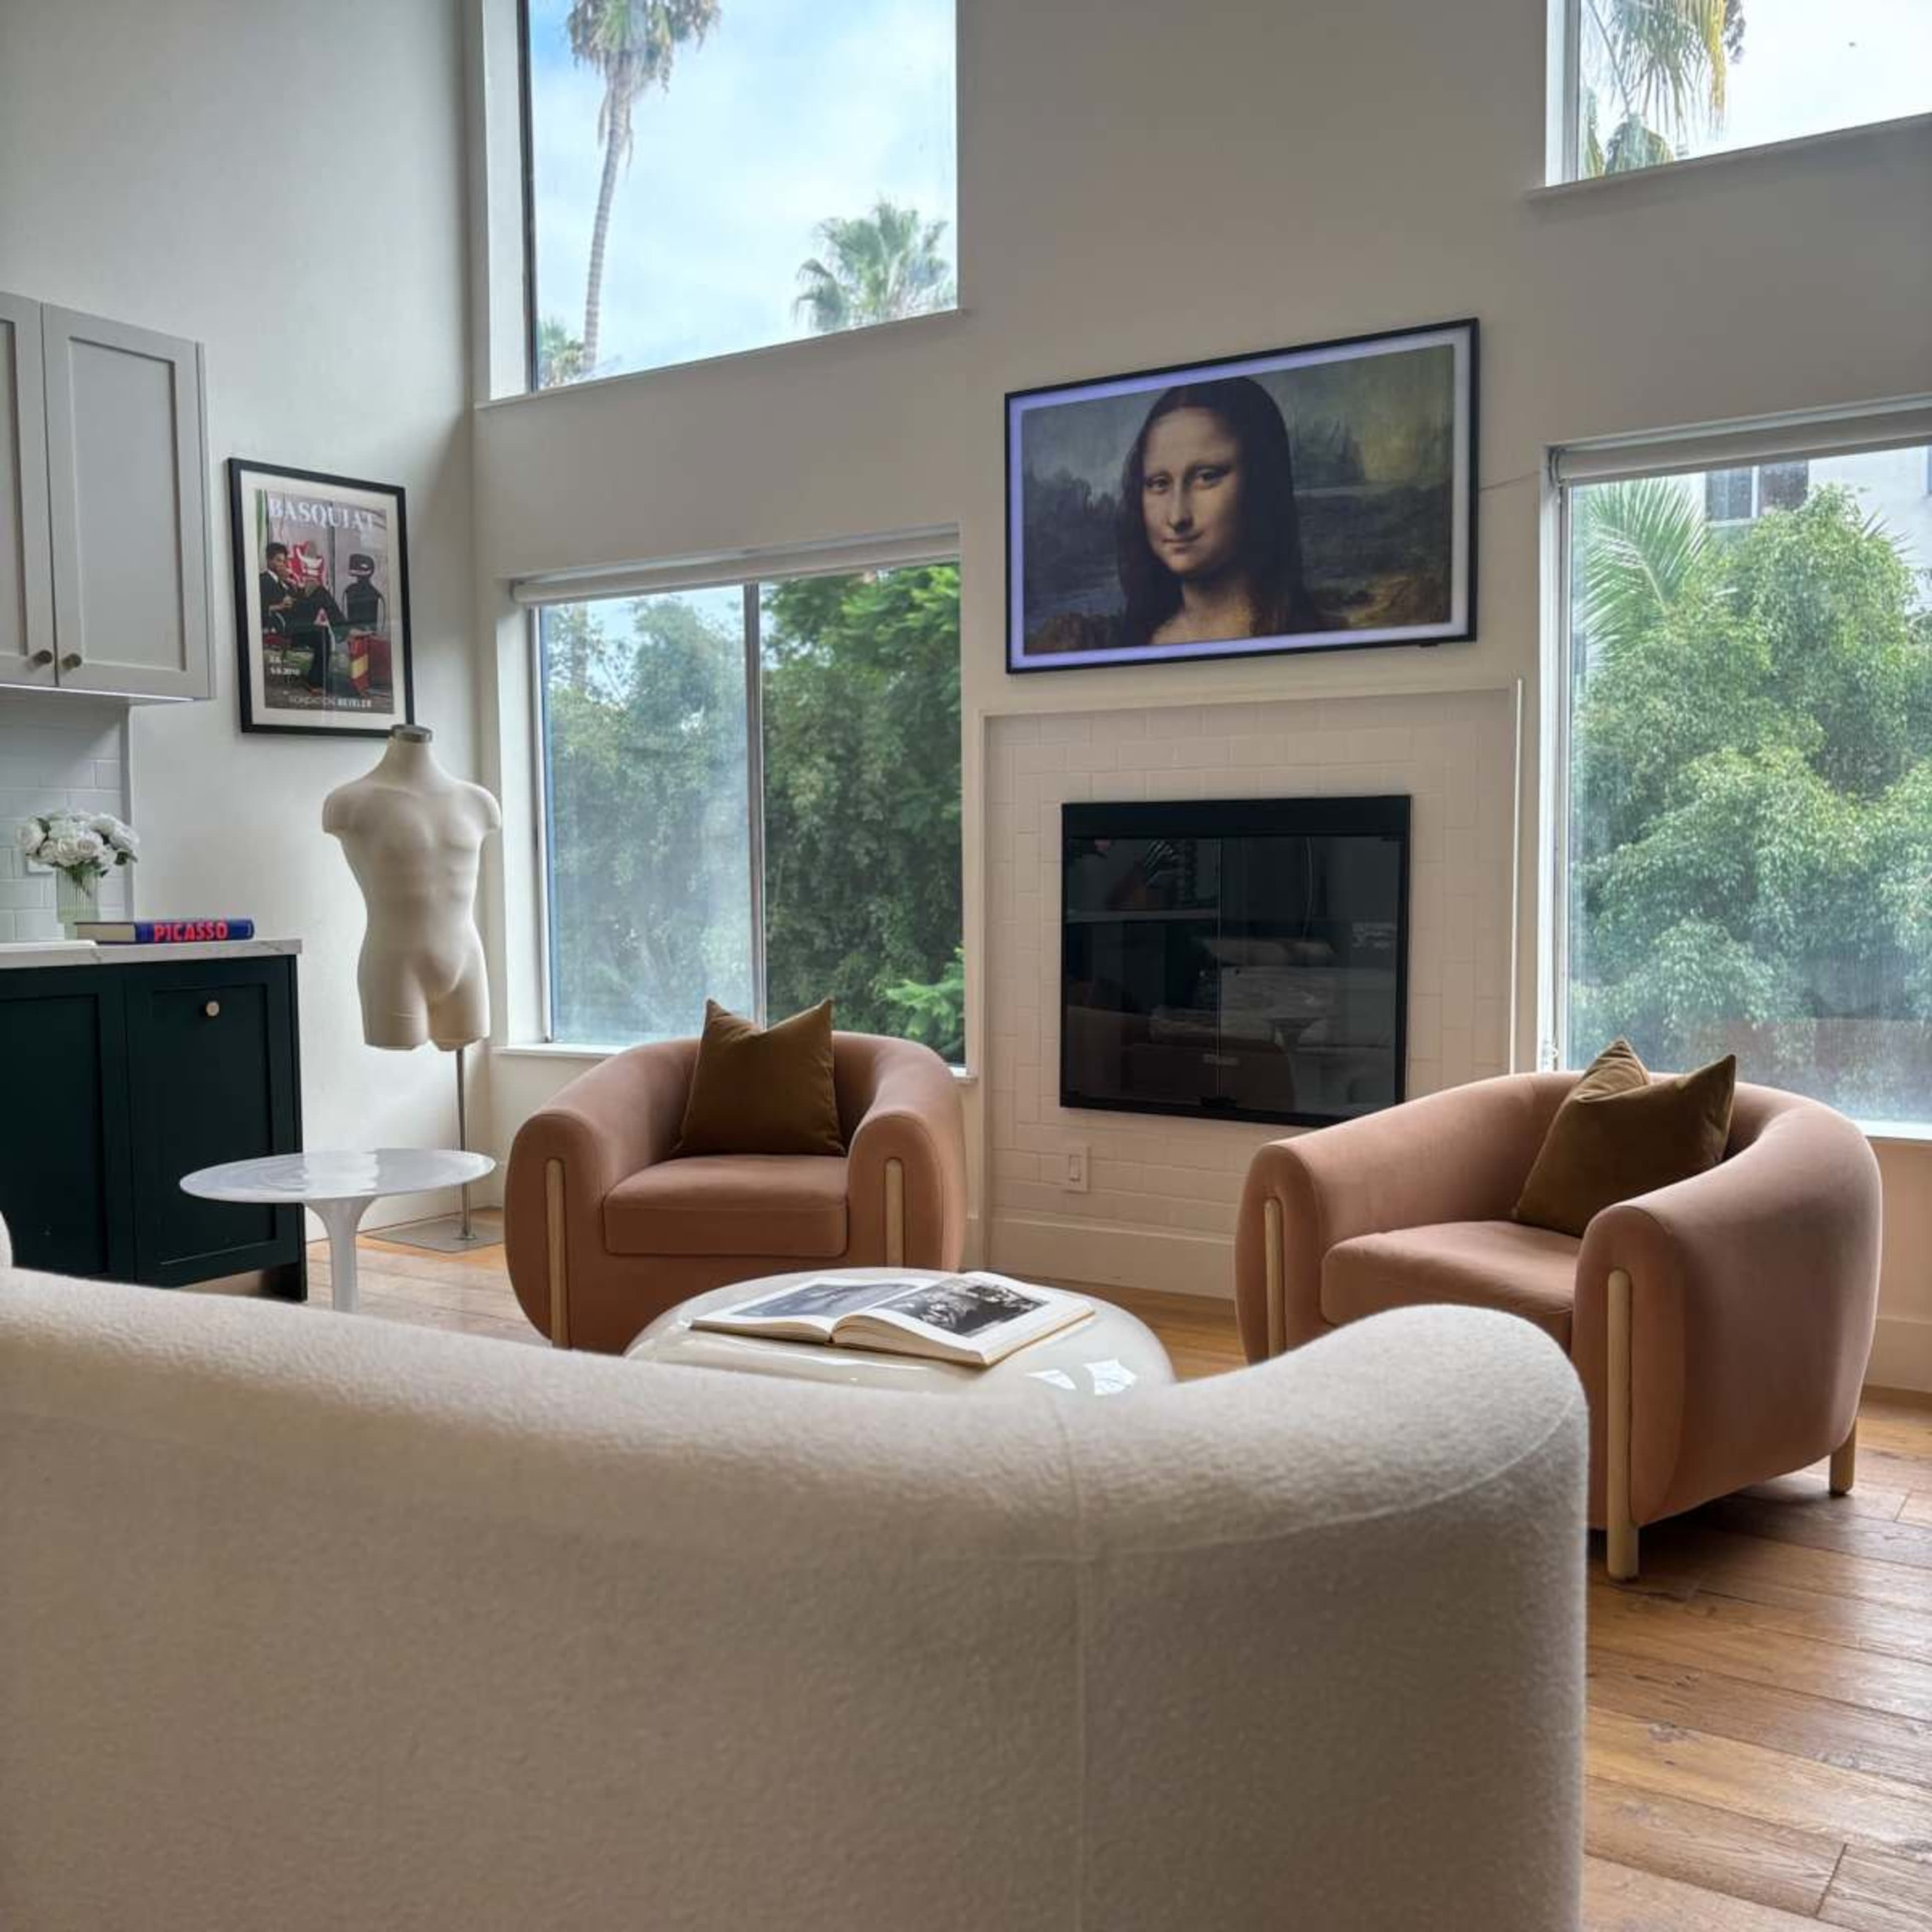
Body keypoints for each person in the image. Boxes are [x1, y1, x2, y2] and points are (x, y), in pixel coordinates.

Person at [1115, 376, 1325, 649]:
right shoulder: (1132, 644)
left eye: (1206, 477)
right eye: (1159, 484)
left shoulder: (1315, 636)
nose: (1177, 517)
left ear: (1259, 481)